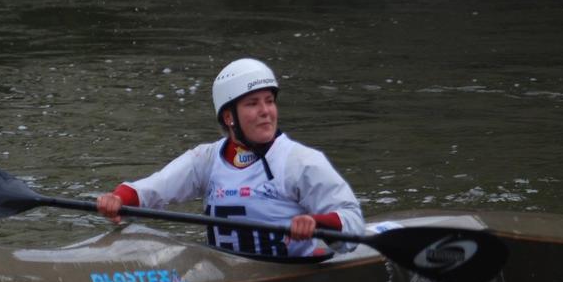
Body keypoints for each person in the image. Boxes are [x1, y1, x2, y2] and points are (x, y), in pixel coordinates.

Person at [96, 57, 365, 258]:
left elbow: (352, 224)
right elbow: (153, 188)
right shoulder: (206, 159)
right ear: (229, 117)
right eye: (252, 103)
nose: (265, 111)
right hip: (227, 272)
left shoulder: (301, 161)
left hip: (290, 273)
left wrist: (316, 223)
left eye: (269, 100)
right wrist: (118, 198)